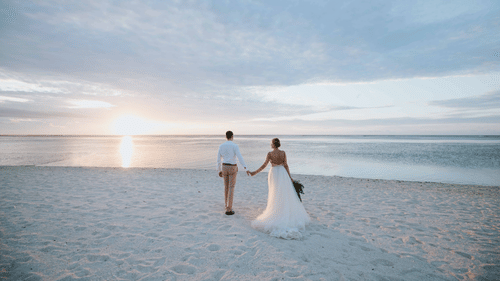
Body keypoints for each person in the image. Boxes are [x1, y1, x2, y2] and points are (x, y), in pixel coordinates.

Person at [248, 138, 310, 239]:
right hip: (282, 173)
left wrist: (255, 172)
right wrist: (290, 177)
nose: (270, 145)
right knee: (284, 192)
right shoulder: (283, 153)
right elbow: (286, 165)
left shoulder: (270, 154)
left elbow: (264, 165)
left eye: (271, 143)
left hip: (274, 173)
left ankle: (277, 211)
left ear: (273, 144)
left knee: (275, 193)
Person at [216, 131, 248, 215]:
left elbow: (218, 159)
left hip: (224, 167)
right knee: (231, 187)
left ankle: (226, 205)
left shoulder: (221, 146)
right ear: (232, 136)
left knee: (226, 187)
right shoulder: (234, 146)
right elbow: (239, 157)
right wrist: (245, 167)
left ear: (226, 136)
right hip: (232, 167)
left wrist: (219, 170)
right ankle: (229, 209)